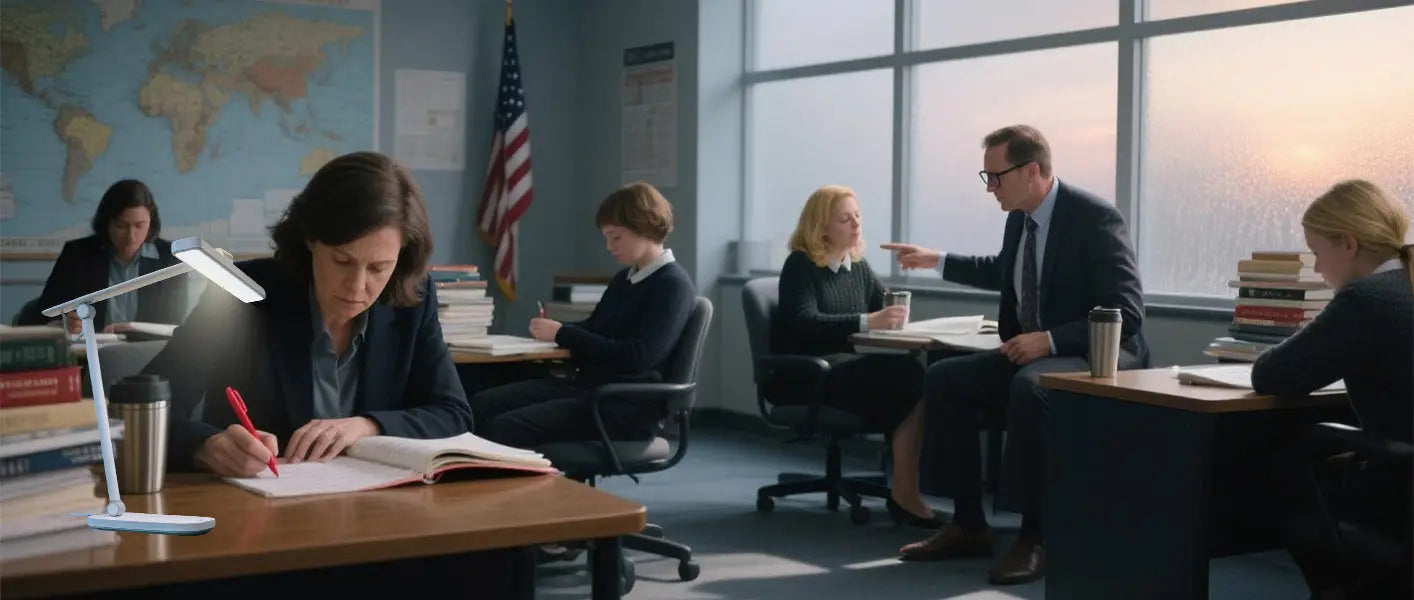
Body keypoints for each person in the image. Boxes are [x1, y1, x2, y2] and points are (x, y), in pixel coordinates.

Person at [882, 125, 1149, 585]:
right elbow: (1002, 270)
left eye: (996, 177)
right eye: (985, 177)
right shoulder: (1020, 218)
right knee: (945, 379)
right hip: (1036, 350)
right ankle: (967, 523)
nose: (990, 189)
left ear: (1032, 171)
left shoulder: (1095, 218)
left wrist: (1049, 340)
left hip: (1098, 352)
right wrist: (936, 260)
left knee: (1031, 387)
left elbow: (1126, 311)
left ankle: (1035, 534)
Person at [144, 151, 471, 476]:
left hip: (377, 510)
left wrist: (368, 426)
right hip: (261, 510)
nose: (358, 286)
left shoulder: (413, 300)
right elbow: (140, 409)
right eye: (342, 261)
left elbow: (453, 413)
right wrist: (207, 447)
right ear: (311, 239)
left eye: (378, 268)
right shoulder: (240, 292)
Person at [1250, 179, 1412, 600]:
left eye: (1318, 252)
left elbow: (1270, 375)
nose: (1318, 270)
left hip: (1398, 488)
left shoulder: (1367, 299)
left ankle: (1340, 590)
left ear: (1348, 244)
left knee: (1276, 460)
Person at [470, 182, 695, 448]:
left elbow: (637, 357)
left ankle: (514, 489)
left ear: (644, 227)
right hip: (590, 389)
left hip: (623, 406)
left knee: (505, 426)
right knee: (481, 404)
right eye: (607, 237)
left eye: (616, 237)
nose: (609, 246)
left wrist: (564, 333)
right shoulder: (626, 278)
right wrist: (555, 331)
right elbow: (596, 328)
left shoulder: (672, 285)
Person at [770, 184, 935, 527]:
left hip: (842, 370)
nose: (856, 224)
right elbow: (803, 323)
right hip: (807, 376)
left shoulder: (856, 266)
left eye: (857, 216)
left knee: (917, 375)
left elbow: (882, 305)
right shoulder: (800, 265)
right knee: (909, 377)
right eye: (845, 219)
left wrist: (894, 316)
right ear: (821, 227)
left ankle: (905, 490)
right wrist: (867, 320)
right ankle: (905, 493)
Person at [22, 180, 188, 332]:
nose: (131, 236)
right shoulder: (77, 255)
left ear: (151, 222)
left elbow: (176, 323)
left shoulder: (171, 259)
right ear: (106, 222)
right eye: (122, 226)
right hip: (88, 357)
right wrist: (62, 323)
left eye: (139, 225)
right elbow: (41, 314)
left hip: (150, 357)